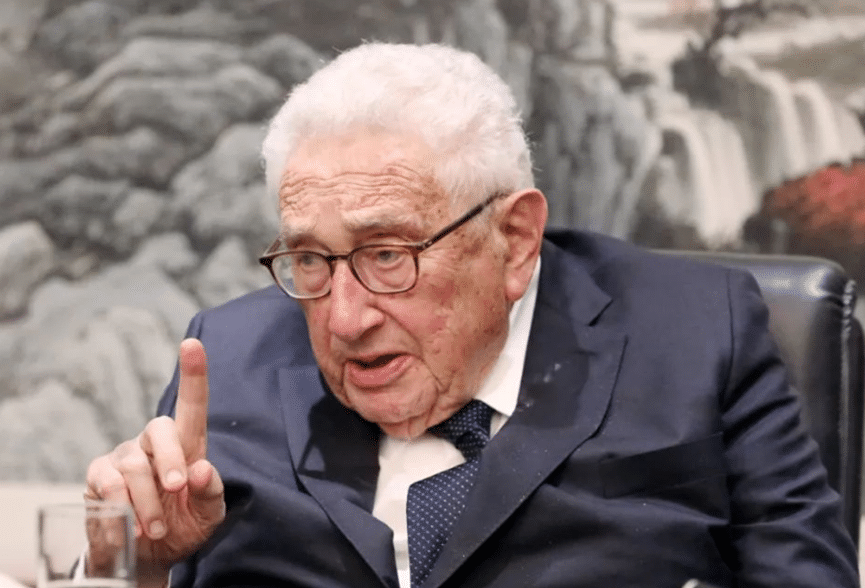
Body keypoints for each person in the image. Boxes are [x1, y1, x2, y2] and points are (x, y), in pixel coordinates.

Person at [84, 42, 860, 588]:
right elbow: (139, 567)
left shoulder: (694, 333)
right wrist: (139, 567)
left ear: (514, 240)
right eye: (311, 259)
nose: (345, 319)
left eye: (387, 254)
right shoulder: (227, 358)